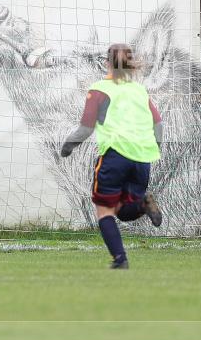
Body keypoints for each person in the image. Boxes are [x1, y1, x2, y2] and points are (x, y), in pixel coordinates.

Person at [59, 43, 164, 269]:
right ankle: (144, 203)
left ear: (106, 63)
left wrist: (68, 146)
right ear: (130, 64)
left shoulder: (99, 89)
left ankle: (120, 260)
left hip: (116, 154)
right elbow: (158, 121)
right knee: (124, 211)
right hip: (142, 157)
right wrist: (156, 146)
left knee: (104, 210)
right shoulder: (139, 90)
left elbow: (86, 129)